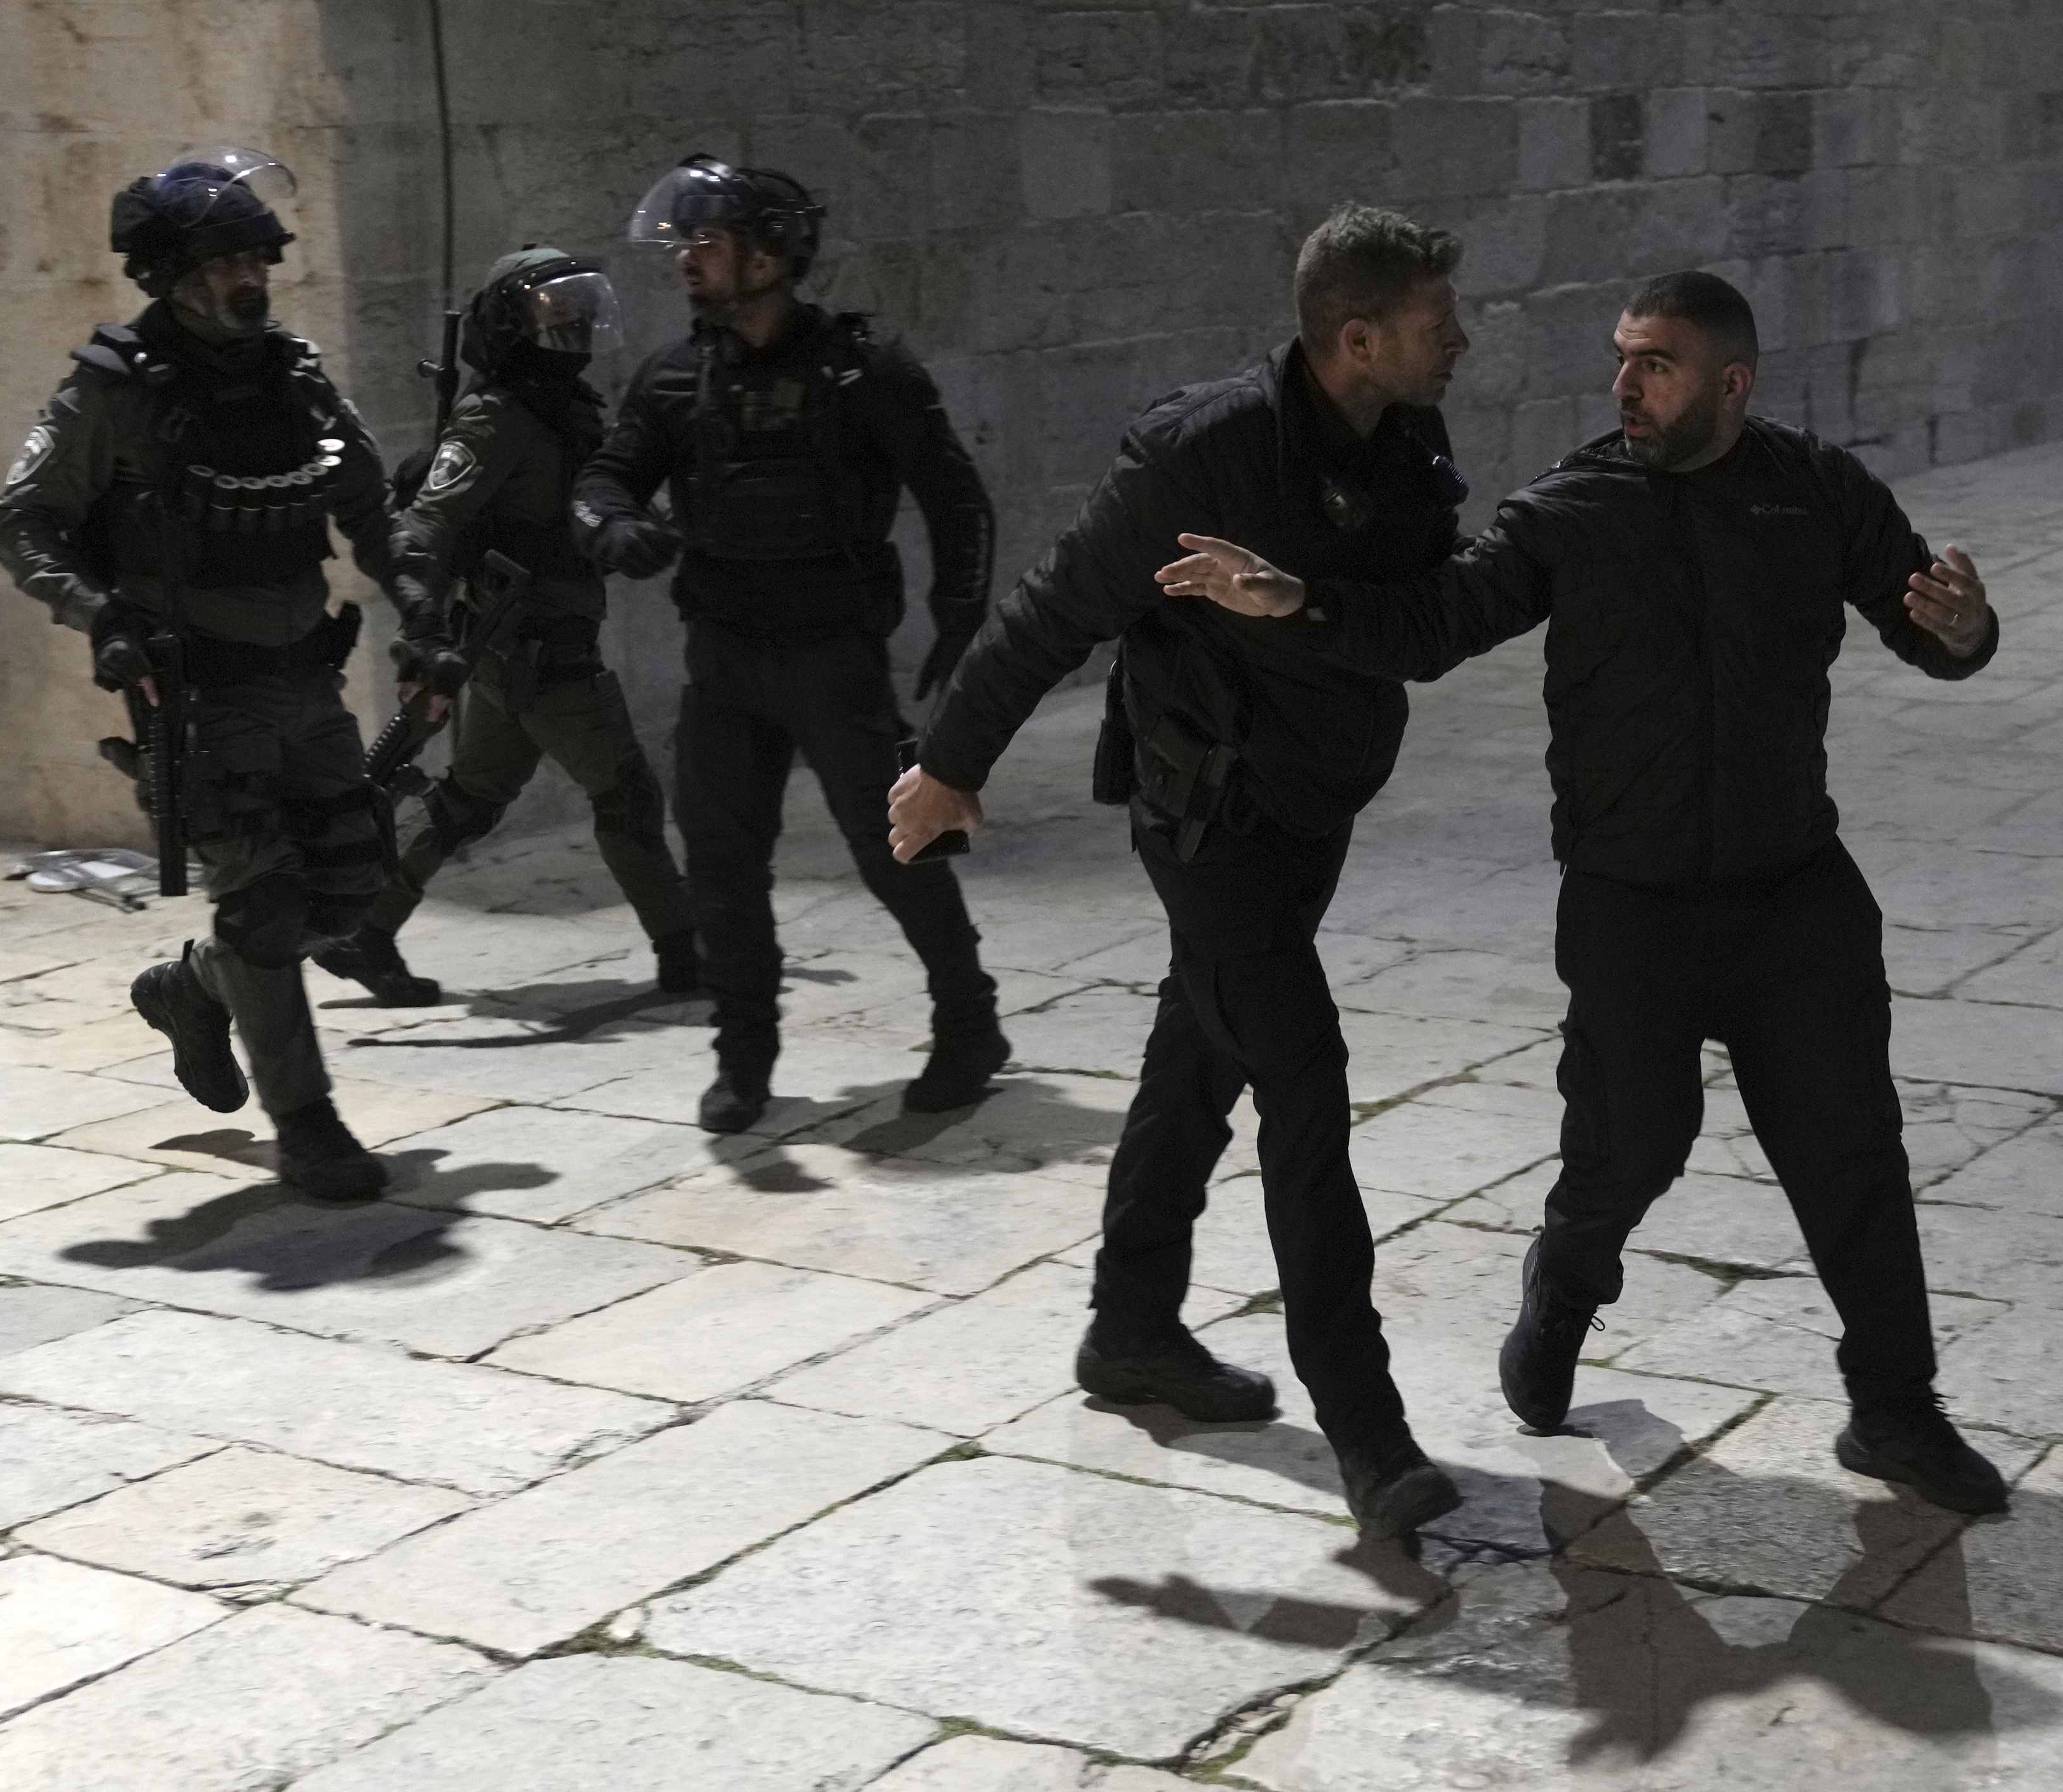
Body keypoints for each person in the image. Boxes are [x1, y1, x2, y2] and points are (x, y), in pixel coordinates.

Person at [1153, 270, 2013, 1515]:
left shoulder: (1815, 489)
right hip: (1630, 905)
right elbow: (1437, 621)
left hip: (1793, 891)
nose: (1624, 384)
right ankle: (1562, 1287)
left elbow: (1925, 624)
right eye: (1620, 358)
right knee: (1628, 1150)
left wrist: (1965, 628)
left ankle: (1894, 1407)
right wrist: (1299, 602)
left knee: (1851, 1148)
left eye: (1655, 364)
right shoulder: (1574, 506)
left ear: (1730, 383)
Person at [886, 203, 1476, 1540]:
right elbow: (1054, 608)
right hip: (1205, 817)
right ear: (1356, 337)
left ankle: (1130, 1328)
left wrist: (1304, 602)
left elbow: (1425, 628)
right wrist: (950, 764)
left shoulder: (1406, 441)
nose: (1462, 341)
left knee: (1198, 1050)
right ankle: (1369, 1432)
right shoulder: (1203, 452)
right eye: (1438, 323)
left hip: (1310, 805)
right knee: (1302, 1081)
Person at [0, 148, 404, 1200]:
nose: (245, 280)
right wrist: (98, 615)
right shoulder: (114, 391)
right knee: (262, 905)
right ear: (170, 277)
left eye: (253, 259)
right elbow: (22, 520)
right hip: (198, 692)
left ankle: (193, 988)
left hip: (307, 679)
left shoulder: (294, 374)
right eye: (220, 264)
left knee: (348, 891)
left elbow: (369, 505)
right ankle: (307, 1125)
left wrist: (430, 598)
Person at [572, 157, 1003, 1131]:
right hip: (724, 658)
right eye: (683, 242)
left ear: (768, 257)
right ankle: (744, 1058)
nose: (686, 260)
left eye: (707, 243)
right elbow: (605, 476)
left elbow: (954, 494)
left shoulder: (863, 371)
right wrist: (611, 526)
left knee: (899, 846)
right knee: (721, 865)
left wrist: (962, 613)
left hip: (832, 657)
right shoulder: (677, 375)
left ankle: (970, 1025)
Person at [314, 246, 701, 1006]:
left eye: (581, 313)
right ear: (510, 326)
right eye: (556, 316)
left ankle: (364, 929)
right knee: (624, 793)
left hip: (516, 645)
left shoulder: (560, 408)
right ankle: (685, 951)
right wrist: (421, 631)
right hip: (535, 646)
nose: (575, 329)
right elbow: (424, 527)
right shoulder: (497, 415)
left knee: (469, 796)